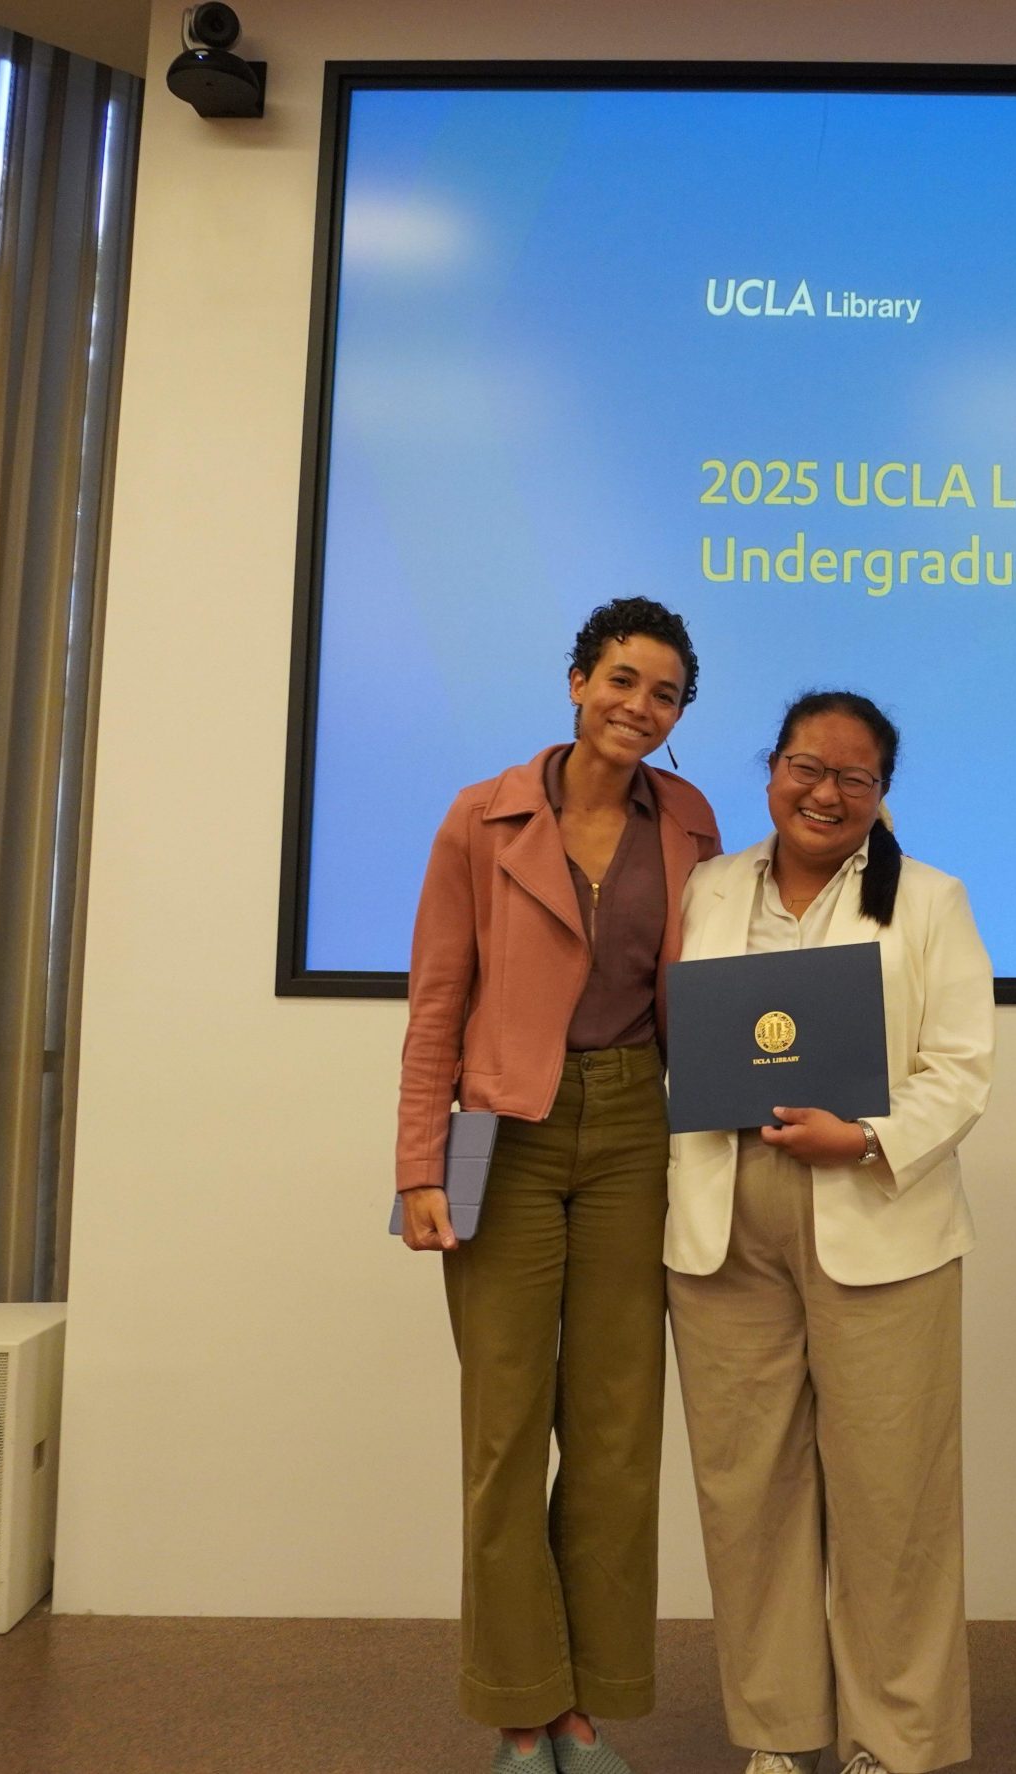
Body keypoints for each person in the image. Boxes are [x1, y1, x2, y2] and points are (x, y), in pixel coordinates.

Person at [395, 597, 722, 1774]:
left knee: (617, 1432)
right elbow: (437, 1001)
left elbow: (710, 989)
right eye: (622, 680)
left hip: (637, 1124)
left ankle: (586, 1706)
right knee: (504, 1428)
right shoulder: (480, 816)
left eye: (665, 693)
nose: (640, 706)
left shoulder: (688, 820)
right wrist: (417, 1167)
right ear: (578, 679)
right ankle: (519, 1710)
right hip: (501, 1132)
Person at [665, 690, 995, 1774]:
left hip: (878, 1211)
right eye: (807, 767)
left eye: (854, 777)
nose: (825, 792)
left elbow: (962, 1068)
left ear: (881, 792)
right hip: (723, 1223)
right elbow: (668, 1037)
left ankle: (892, 1743)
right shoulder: (708, 888)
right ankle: (780, 1734)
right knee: (746, 1493)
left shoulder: (930, 899)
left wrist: (863, 1138)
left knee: (892, 1499)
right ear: (771, 769)